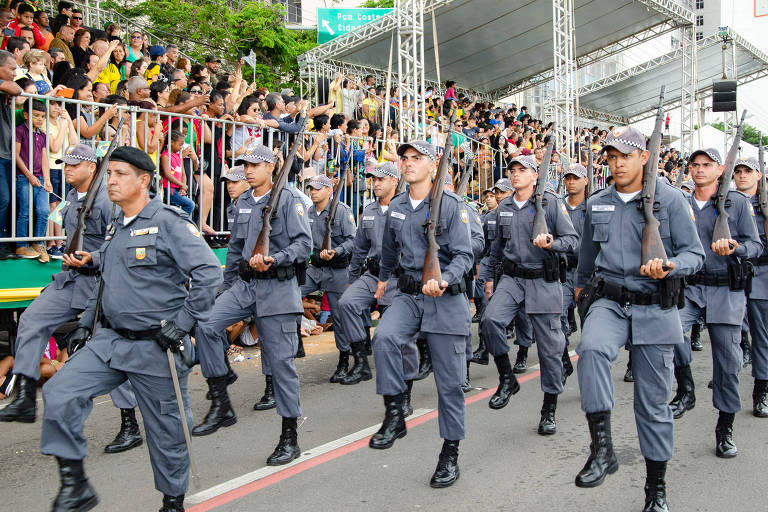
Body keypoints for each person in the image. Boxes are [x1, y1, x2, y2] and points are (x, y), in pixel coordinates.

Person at [40, 145, 222, 512]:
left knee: (167, 431)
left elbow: (208, 274)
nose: (111, 181)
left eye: (120, 174)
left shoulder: (170, 222)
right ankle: (75, 484)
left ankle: (172, 502)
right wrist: (86, 322)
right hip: (109, 340)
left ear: (144, 179)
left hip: (156, 346)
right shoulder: (115, 224)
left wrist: (183, 323)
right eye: (108, 174)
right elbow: (108, 278)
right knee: (59, 392)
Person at [573, 127, 705, 511]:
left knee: (652, 404)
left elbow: (695, 254)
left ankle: (655, 488)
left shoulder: (671, 200)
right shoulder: (597, 201)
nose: (616, 164)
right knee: (592, 350)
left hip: (655, 305)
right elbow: (585, 258)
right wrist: (581, 295)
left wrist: (671, 266)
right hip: (611, 299)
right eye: (611, 157)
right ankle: (602, 449)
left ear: (644, 157)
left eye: (624, 156)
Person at [0, 143, 145, 452]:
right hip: (71, 280)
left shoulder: (108, 200)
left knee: (108, 352)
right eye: (64, 164)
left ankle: (129, 422)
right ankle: (25, 395)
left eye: (73, 165)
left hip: (101, 284)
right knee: (32, 319)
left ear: (92, 168)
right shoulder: (72, 196)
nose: (67, 169)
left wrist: (90, 257)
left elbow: (120, 244)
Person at [192, 145, 312, 469]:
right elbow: (234, 249)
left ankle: (290, 436)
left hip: (277, 288)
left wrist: (277, 258)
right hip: (244, 286)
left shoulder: (289, 199)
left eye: (255, 165)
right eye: (245, 164)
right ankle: (221, 397)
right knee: (206, 325)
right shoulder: (242, 202)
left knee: (281, 365)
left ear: (271, 166)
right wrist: (226, 288)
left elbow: (304, 245)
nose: (248, 170)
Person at [370, 140, 472, 488]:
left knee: (449, 385)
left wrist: (444, 278)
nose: (408, 164)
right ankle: (396, 410)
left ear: (433, 166)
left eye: (417, 159)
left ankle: (450, 452)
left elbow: (464, 255)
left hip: (445, 299)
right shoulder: (397, 205)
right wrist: (383, 279)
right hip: (409, 294)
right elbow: (388, 250)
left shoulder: (450, 205)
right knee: (383, 338)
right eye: (405, 159)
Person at [668, 148, 761, 449]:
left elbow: (755, 246)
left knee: (728, 362)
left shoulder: (737, 202)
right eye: (694, 165)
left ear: (720, 170)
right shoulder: (679, 202)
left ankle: (725, 427)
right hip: (691, 286)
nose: (699, 170)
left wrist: (736, 248)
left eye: (706, 165)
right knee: (669, 332)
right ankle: (686, 389)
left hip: (725, 289)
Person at [481, 152, 577, 435]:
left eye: (522, 170)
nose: (515, 174)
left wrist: (551, 242)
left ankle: (549, 409)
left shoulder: (551, 203)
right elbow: (495, 249)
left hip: (543, 280)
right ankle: (507, 378)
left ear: (535, 175)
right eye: (512, 170)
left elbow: (572, 240)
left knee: (550, 351)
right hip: (512, 278)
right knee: (490, 321)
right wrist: (488, 278)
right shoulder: (504, 207)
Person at [336, 162, 401, 386]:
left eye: (381, 179)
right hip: (373, 274)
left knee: (389, 330)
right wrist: (352, 279)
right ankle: (361, 362)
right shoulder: (370, 211)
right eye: (374, 179)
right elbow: (359, 248)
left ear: (395, 181)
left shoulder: (404, 206)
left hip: (398, 277)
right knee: (347, 303)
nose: (376, 184)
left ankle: (400, 372)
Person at [300, 174, 356, 381]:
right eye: (310, 188)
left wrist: (337, 251)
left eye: (316, 188)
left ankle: (344, 358)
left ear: (328, 190)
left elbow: (353, 240)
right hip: (315, 267)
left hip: (336, 269)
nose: (312, 192)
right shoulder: (308, 212)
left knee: (339, 317)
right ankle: (295, 340)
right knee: (290, 296)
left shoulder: (341, 210)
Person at [732, 157, 768, 417]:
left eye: (748, 171)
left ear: (759, 176)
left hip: (762, 274)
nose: (742, 176)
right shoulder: (727, 203)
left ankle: (761, 389)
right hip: (732, 273)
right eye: (738, 171)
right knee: (729, 333)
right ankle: (728, 374)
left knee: (762, 337)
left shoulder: (765, 205)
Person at [560, 163, 588, 379]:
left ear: (585, 181)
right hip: (564, 271)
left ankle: (591, 366)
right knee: (555, 316)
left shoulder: (593, 206)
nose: (570, 182)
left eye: (575, 178)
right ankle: (563, 359)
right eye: (568, 178)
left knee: (589, 322)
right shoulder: (558, 206)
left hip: (588, 273)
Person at [14, 99, 51, 262]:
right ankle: (21, 245)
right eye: (36, 115)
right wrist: (29, 175)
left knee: (43, 211)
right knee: (24, 211)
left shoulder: (42, 135)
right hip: (24, 177)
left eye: (42, 116)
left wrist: (47, 180)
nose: (40, 119)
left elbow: (44, 159)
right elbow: (16, 155)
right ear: (26, 114)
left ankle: (38, 243)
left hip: (41, 178)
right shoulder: (20, 130)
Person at [0, 50, 23, 261]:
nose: (15, 73)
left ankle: (6, 245)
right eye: (12, 68)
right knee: (3, 199)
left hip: (6, 154)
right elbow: (16, 88)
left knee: (8, 200)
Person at [160, 130, 195, 218]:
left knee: (173, 212)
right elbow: (167, 174)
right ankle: (180, 223)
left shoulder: (179, 156)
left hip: (178, 189)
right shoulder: (165, 156)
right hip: (170, 189)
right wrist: (182, 184)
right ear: (171, 142)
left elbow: (183, 174)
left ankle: (175, 224)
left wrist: (183, 188)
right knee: (190, 204)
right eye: (180, 144)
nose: (181, 147)